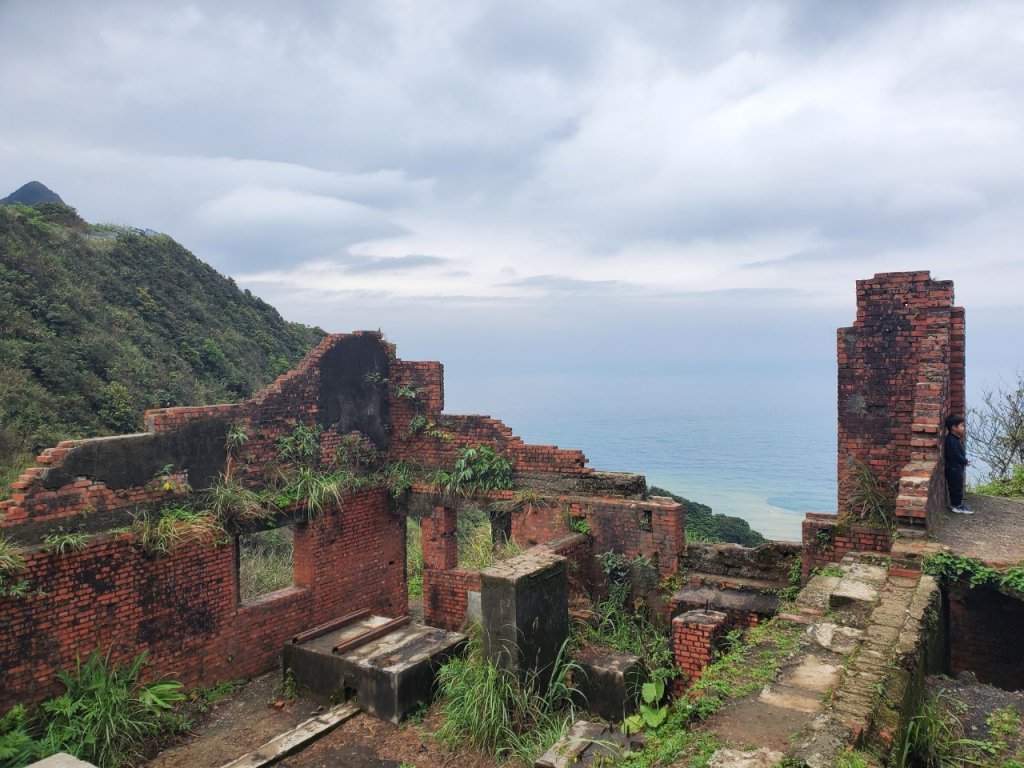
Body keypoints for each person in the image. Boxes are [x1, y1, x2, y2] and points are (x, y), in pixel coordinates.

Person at [944, 414, 972, 514]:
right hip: (953, 468)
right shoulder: (951, 440)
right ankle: (956, 505)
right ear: (954, 428)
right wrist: (964, 461)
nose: (963, 428)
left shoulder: (954, 438)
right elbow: (955, 454)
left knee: (958, 486)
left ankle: (958, 503)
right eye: (961, 426)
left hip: (956, 467)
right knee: (955, 487)